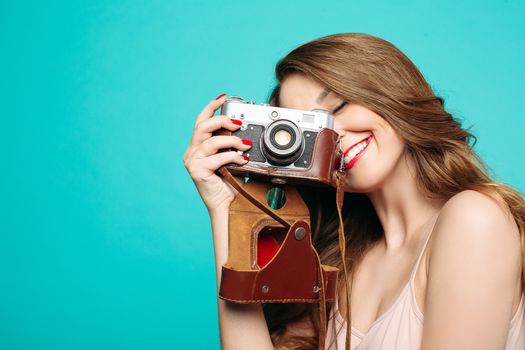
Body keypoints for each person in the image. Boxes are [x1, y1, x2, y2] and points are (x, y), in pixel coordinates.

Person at [183, 33, 525, 349]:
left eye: (339, 106)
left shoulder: (474, 220)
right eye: (311, 130)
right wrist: (228, 210)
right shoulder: (341, 259)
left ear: (391, 92)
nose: (335, 137)